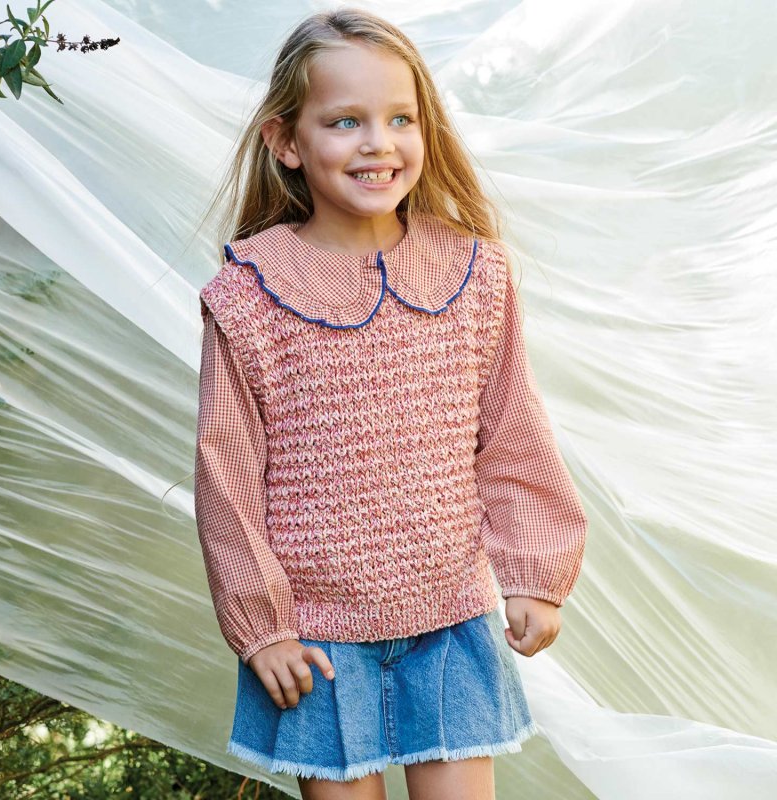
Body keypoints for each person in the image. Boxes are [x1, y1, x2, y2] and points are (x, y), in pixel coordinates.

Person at [193, 7, 588, 799]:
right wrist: (262, 626)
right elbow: (225, 474)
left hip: (450, 620)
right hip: (317, 638)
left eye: (400, 119)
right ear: (286, 141)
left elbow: (513, 431)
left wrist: (535, 571)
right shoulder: (250, 296)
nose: (379, 142)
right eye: (346, 121)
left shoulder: (474, 274)